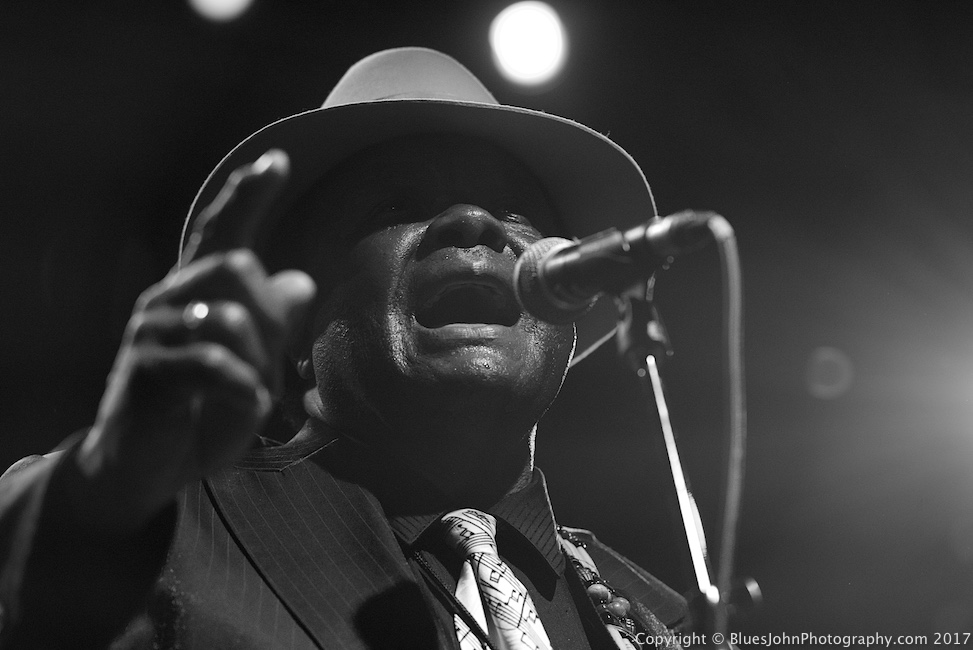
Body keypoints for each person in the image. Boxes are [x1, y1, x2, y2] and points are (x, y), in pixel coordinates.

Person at [0, 48, 688, 649]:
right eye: (394, 207)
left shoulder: (663, 620)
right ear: (298, 316)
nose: (472, 221)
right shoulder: (156, 529)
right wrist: (108, 479)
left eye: (512, 208)